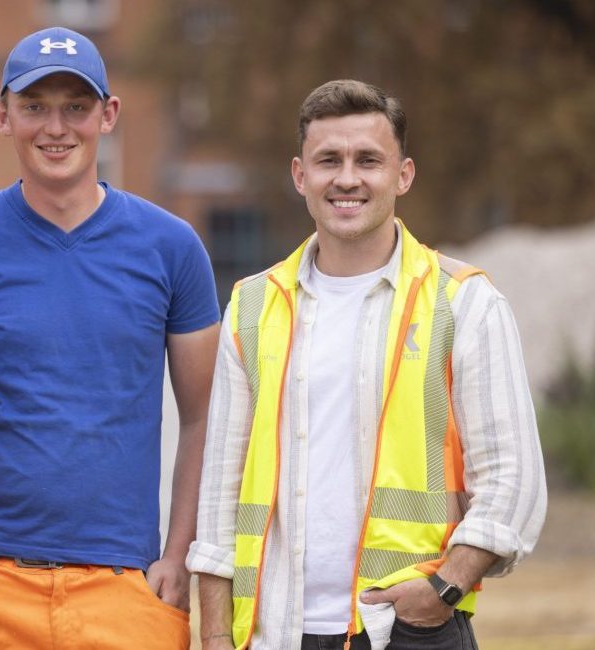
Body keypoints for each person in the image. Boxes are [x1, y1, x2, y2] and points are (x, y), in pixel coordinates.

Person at [188, 79, 547, 650]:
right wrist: (212, 635)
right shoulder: (251, 307)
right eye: (328, 159)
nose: (347, 178)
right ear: (300, 176)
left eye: (368, 160)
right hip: (275, 632)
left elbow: (514, 483)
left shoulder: (464, 303)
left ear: (402, 175)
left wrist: (443, 593)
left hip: (407, 630)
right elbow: (219, 502)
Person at [0, 26, 221, 650]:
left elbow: (204, 417)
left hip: (127, 588)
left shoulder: (173, 247)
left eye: (76, 106)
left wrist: (178, 558)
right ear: (2, 115)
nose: (56, 127)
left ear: (109, 114)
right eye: (35, 106)